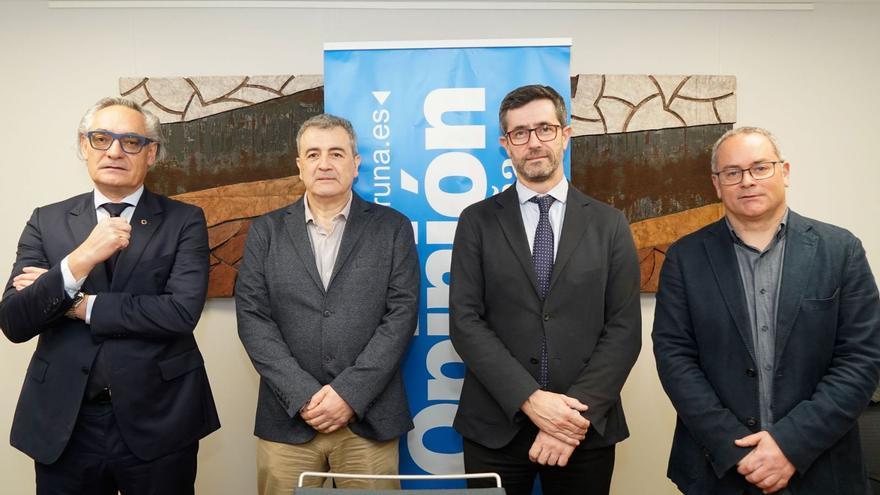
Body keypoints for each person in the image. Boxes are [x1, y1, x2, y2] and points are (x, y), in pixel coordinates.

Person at [0, 97, 219, 494]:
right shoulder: (45, 220)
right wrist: (80, 259)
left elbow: (180, 312)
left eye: (131, 141)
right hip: (65, 424)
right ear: (84, 146)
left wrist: (78, 304)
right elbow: (15, 321)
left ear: (151, 154)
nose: (115, 151)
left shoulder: (185, 220)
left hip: (160, 419)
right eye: (102, 138)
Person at [652, 126, 880, 494]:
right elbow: (675, 358)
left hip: (822, 466)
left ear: (784, 172)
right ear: (717, 184)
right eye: (733, 172)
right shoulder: (685, 257)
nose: (747, 181)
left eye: (760, 167)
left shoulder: (840, 250)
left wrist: (790, 444)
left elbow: (861, 359)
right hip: (720, 469)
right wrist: (734, 448)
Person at [449, 84, 642, 495]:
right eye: (520, 133)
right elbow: (466, 323)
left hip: (582, 429)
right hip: (495, 427)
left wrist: (568, 420)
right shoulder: (476, 222)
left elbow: (624, 329)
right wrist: (533, 401)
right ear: (506, 144)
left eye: (544, 129)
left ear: (565, 134)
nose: (533, 142)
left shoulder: (610, 225)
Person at [235, 113, 420, 495]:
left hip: (367, 419)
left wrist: (348, 395)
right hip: (288, 418)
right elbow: (253, 319)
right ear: (299, 165)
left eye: (336, 153)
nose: (324, 164)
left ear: (355, 164)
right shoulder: (266, 231)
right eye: (313, 154)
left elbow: (400, 317)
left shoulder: (392, 228)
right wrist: (303, 395)